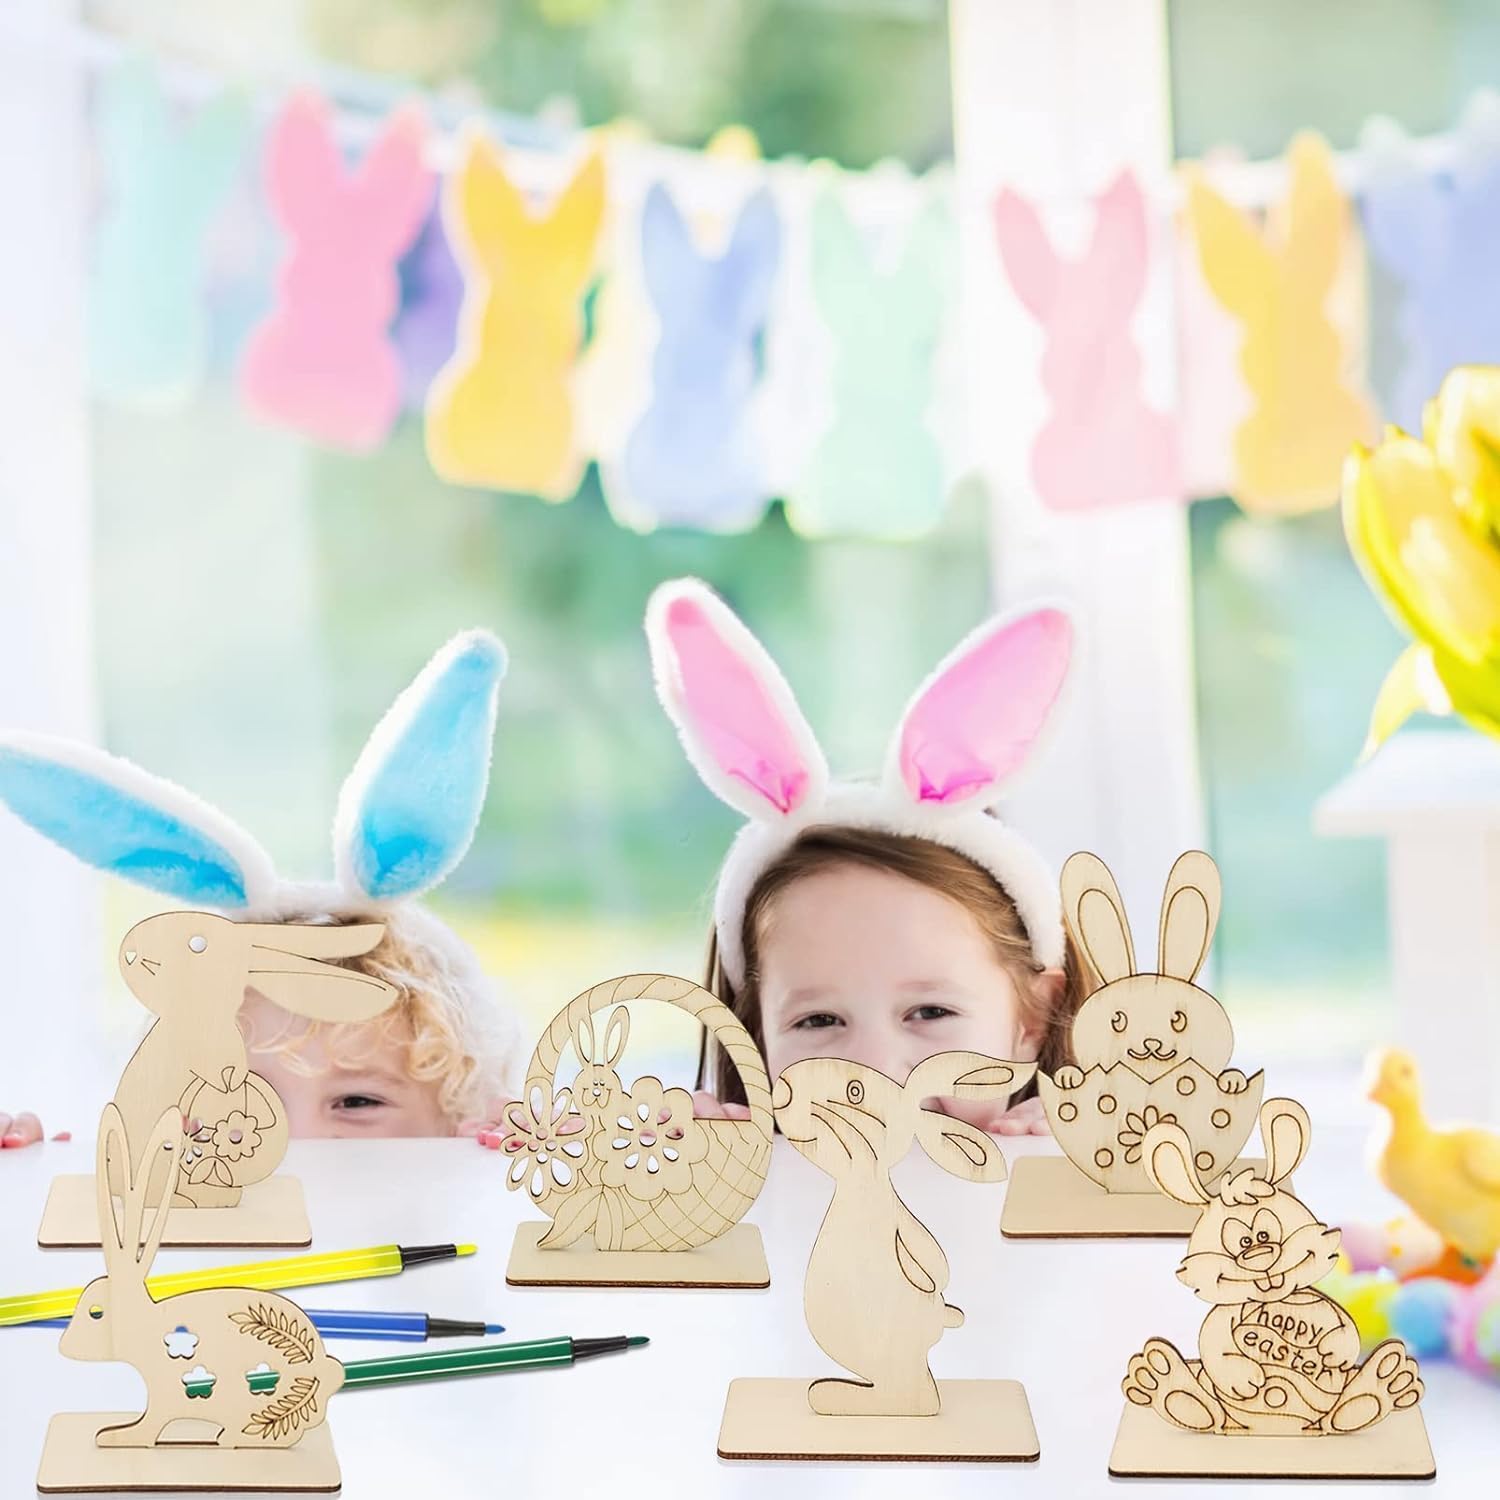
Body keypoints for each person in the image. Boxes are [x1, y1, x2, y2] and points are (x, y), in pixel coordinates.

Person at [0, 628, 522, 1145]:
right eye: (241, 1099)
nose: (300, 1142)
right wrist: (30, 1188)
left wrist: (520, 1181)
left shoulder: (467, 1214)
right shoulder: (175, 1215)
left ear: (456, 1119)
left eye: (358, 1102)